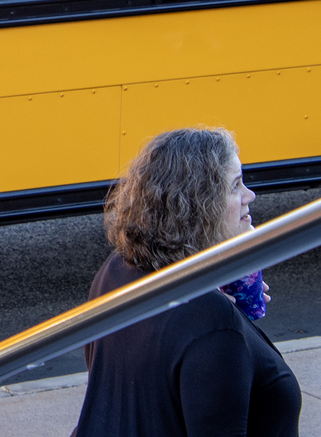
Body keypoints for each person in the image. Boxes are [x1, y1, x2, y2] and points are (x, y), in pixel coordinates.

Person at [72, 127, 301, 437]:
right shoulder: (214, 326)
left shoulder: (117, 269)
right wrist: (224, 316)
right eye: (236, 186)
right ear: (201, 205)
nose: (250, 196)